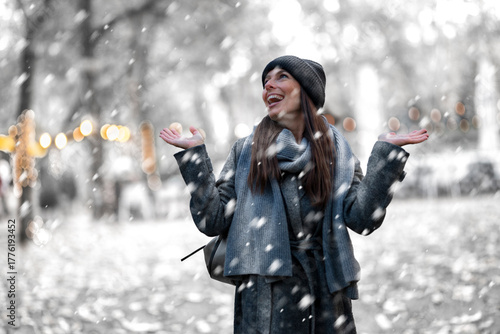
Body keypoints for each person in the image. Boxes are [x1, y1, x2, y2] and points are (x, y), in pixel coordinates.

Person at [160, 55, 429, 334]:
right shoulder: (246, 152)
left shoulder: (337, 151)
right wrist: (194, 161)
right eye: (266, 82)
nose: (269, 87)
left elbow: (362, 219)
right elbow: (212, 221)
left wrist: (386, 159)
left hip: (326, 297)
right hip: (266, 301)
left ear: (307, 90)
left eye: (281, 77)